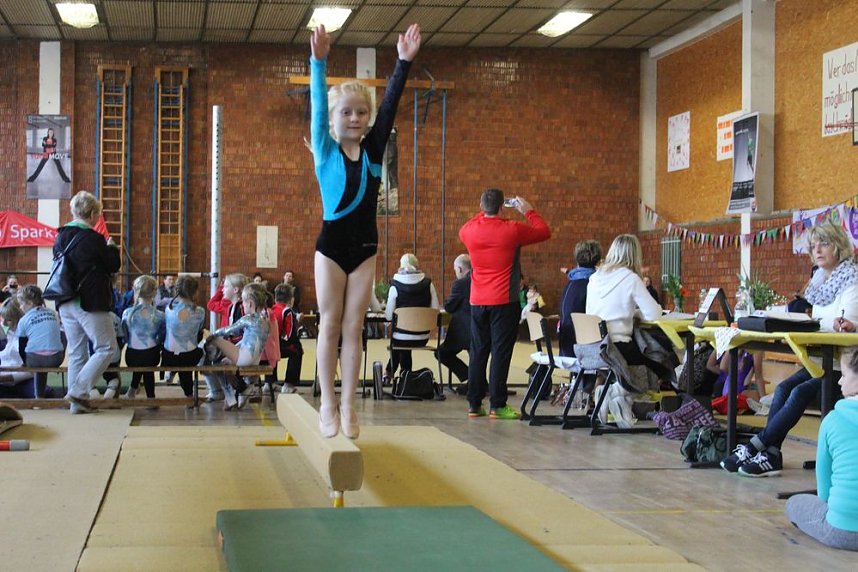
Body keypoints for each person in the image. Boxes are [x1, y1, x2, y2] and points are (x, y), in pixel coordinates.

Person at [308, 23, 421, 438]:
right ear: (335, 121)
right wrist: (318, 62)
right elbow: (319, 106)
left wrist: (404, 62)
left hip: (366, 248)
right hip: (331, 248)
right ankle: (326, 402)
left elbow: (390, 105)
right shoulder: (324, 149)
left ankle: (350, 406)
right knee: (330, 324)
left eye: (361, 112)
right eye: (347, 112)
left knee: (354, 328)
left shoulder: (374, 150)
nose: (354, 118)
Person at [721, 221, 858, 477]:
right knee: (783, 388)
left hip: (848, 367)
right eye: (813, 245)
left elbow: (847, 321)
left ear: (839, 246)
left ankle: (756, 445)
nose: (817, 250)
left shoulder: (852, 279)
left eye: (824, 243)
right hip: (822, 361)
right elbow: (821, 321)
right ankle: (771, 455)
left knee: (799, 392)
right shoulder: (818, 281)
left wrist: (830, 323)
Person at [459, 189, 551, 420]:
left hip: (477, 300)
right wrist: (527, 209)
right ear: (503, 207)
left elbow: (472, 221)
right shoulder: (512, 229)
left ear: (481, 208)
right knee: (500, 352)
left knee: (478, 352)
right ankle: (497, 405)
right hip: (504, 301)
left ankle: (473, 404)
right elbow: (544, 231)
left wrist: (486, 214)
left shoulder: (468, 231)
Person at [784, 347, 858, 551]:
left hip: (842, 531)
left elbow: (824, 490)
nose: (840, 381)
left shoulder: (832, 420)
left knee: (794, 503)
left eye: (843, 375)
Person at [53, 190, 121, 414]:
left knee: (76, 351)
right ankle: (79, 391)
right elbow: (112, 265)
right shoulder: (94, 239)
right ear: (93, 214)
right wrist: (112, 247)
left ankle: (77, 406)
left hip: (64, 300)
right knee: (106, 347)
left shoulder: (60, 235)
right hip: (89, 301)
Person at [586, 234, 663, 366]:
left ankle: (613, 385)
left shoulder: (594, 278)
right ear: (635, 255)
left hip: (591, 348)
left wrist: (633, 313)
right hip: (617, 349)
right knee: (660, 360)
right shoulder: (630, 278)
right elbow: (653, 314)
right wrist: (637, 313)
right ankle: (621, 387)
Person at [205, 283, 271, 411]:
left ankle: (231, 397)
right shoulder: (265, 319)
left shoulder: (249, 318)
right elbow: (250, 340)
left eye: (244, 303)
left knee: (215, 348)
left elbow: (228, 330)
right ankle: (241, 389)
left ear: (250, 303)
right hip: (255, 358)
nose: (243, 306)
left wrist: (211, 335)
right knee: (224, 362)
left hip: (244, 357)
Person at [384, 253, 440, 378]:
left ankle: (392, 374)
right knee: (402, 345)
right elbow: (435, 310)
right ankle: (401, 375)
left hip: (400, 337)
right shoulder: (428, 284)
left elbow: (388, 316)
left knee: (400, 342)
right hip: (422, 337)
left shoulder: (395, 285)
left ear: (400, 267)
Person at [121, 276, 166, 403]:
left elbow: (125, 337)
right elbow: (162, 337)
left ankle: (132, 389)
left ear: (135, 291)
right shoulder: (159, 315)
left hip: (131, 356)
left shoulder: (127, 313)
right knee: (147, 367)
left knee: (140, 363)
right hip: (152, 356)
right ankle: (150, 397)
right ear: (155, 292)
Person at [204, 273, 248, 402]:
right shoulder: (230, 307)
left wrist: (228, 349)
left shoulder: (242, 308)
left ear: (235, 290)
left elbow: (243, 334)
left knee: (217, 360)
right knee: (207, 356)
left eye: (225, 286)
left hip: (242, 348)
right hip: (233, 346)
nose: (222, 289)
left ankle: (237, 389)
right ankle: (227, 391)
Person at [15, 285, 65, 398]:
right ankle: (40, 396)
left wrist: (25, 362)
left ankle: (39, 398)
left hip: (34, 360)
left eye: (22, 303)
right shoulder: (53, 313)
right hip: (57, 358)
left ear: (30, 303)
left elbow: (21, 346)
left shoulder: (23, 320)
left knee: (38, 361)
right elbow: (62, 335)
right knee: (61, 333)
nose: (20, 307)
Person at [161, 275, 206, 399]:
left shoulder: (168, 309)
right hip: (189, 356)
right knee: (200, 343)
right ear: (195, 292)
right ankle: (189, 394)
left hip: (167, 356)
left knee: (171, 336)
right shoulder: (200, 312)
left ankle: (171, 370)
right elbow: (198, 331)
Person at [558, 240, 601, 357]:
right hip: (583, 349)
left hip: (566, 346)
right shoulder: (594, 285)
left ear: (577, 260)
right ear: (598, 261)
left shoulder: (570, 283)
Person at [438, 254, 472, 394]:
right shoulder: (481, 279)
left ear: (459, 268)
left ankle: (471, 377)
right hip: (484, 330)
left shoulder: (461, 283)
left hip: (464, 332)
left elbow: (449, 307)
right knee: (476, 354)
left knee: (441, 353)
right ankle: (477, 380)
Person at [0, 298, 37, 397]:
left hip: (24, 379)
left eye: (8, 320)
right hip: (3, 380)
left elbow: (33, 369)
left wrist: (7, 378)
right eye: (3, 319)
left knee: (42, 393)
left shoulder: (31, 335)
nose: (4, 324)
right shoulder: (4, 333)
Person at [271, 283, 303, 394]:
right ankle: (289, 384)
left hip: (267, 346)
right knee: (297, 349)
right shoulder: (287, 311)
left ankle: (269, 382)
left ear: (275, 298)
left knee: (272, 346)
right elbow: (291, 336)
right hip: (276, 346)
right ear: (291, 300)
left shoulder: (271, 309)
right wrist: (296, 321)